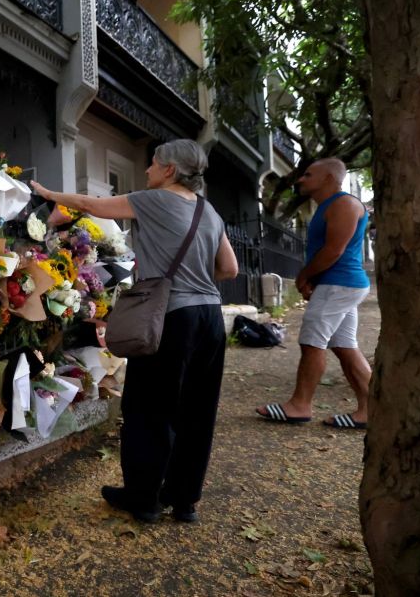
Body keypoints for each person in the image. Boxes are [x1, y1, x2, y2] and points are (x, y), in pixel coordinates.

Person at [31, 139, 238, 523]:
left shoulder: (153, 200)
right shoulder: (209, 212)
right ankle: (184, 500)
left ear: (169, 170)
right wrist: (196, 279)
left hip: (171, 318)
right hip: (210, 316)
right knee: (197, 410)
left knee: (150, 407)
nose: (147, 170)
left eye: (153, 163)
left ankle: (143, 497)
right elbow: (230, 269)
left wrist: (46, 192)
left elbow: (92, 206)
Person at [256, 158, 371, 429]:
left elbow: (334, 250)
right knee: (344, 345)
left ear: (329, 178)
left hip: (340, 283)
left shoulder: (344, 203)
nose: (300, 179)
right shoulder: (327, 207)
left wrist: (304, 276)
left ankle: (299, 404)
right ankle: (370, 409)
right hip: (337, 284)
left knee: (312, 341)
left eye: (308, 174)